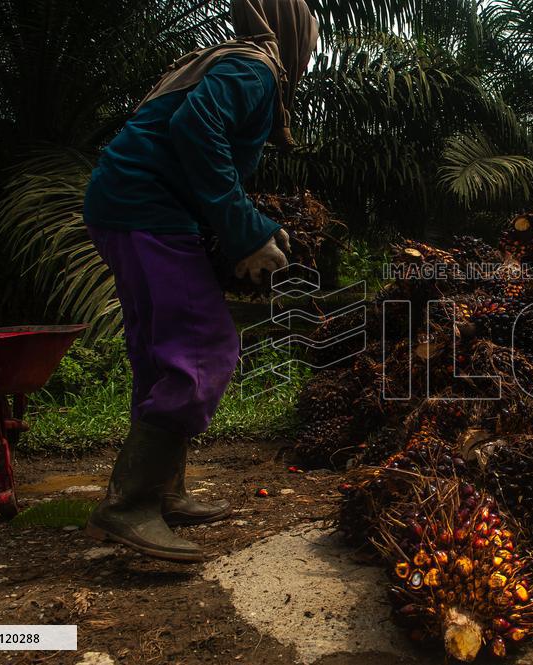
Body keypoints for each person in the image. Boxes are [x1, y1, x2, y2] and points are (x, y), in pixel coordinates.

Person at [82, 0, 319, 562]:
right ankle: (129, 505)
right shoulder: (255, 68)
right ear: (292, 33)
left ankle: (163, 490)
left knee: (158, 350)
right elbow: (195, 129)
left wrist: (236, 232)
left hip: (126, 208)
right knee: (205, 346)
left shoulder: (227, 60)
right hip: (149, 213)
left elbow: (185, 139)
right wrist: (244, 232)